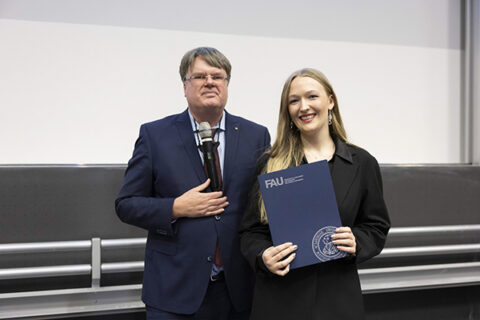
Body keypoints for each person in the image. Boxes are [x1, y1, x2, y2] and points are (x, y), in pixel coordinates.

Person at [115, 47, 270, 319]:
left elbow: (264, 205)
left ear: (226, 84)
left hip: (238, 290)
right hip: (174, 290)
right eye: (199, 76)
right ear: (185, 87)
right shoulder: (155, 135)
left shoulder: (256, 135)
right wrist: (175, 207)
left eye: (218, 76)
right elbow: (126, 205)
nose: (209, 82)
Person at [239, 68, 390, 319]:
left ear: (330, 101)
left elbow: (376, 226)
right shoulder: (270, 163)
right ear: (287, 110)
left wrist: (357, 241)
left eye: (312, 97)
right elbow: (250, 231)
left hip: (337, 299)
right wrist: (263, 255)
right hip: (280, 300)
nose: (303, 107)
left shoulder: (362, 163)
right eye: (294, 100)